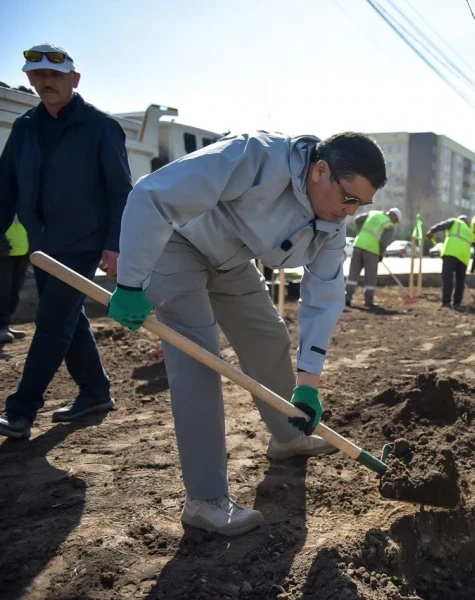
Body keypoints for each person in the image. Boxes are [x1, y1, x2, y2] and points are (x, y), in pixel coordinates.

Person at [106, 131, 386, 536]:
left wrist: (308, 385)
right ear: (320, 171)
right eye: (349, 198)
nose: (352, 212)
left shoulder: (332, 222)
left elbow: (323, 297)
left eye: (362, 203)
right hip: (177, 244)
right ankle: (205, 500)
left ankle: (288, 437)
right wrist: (130, 282)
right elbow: (153, 194)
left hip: (232, 259)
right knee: (199, 358)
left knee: (269, 337)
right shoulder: (256, 157)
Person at [0, 44, 131, 439]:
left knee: (52, 320)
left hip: (82, 241)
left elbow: (119, 189)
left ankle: (21, 411)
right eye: (37, 75)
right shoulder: (24, 127)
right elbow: (6, 186)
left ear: (74, 79)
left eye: (55, 76)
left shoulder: (100, 126)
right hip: (42, 242)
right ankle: (95, 392)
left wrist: (115, 243)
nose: (45, 82)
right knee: (68, 319)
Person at [345, 207, 401, 308]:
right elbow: (384, 242)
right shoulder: (388, 225)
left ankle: (347, 297)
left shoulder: (374, 213)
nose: (395, 223)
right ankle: (368, 301)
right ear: (393, 216)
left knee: (353, 274)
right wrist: (381, 253)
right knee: (370, 277)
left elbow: (357, 219)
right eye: (396, 220)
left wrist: (361, 231)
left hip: (358, 244)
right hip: (372, 250)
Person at [427, 214, 475, 308]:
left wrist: (432, 230)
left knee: (447, 278)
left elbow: (442, 225)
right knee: (460, 281)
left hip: (451, 253)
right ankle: (457, 302)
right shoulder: (470, 232)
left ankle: (446, 301)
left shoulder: (455, 222)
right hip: (464, 257)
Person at [0, 218, 30, 344]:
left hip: (22, 250)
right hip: (4, 250)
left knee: (15, 291)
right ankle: (1, 326)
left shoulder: (22, 198)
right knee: (3, 291)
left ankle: (5, 324)